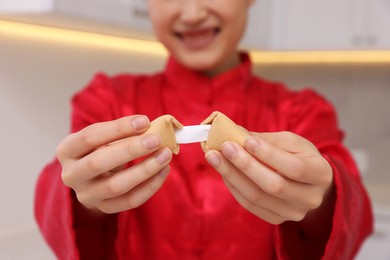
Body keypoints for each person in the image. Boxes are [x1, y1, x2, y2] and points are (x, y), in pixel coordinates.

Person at [35, 0, 373, 259]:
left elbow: (354, 217)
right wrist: (82, 193)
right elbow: (63, 196)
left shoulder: (302, 112)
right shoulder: (107, 100)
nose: (193, 12)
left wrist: (323, 198)